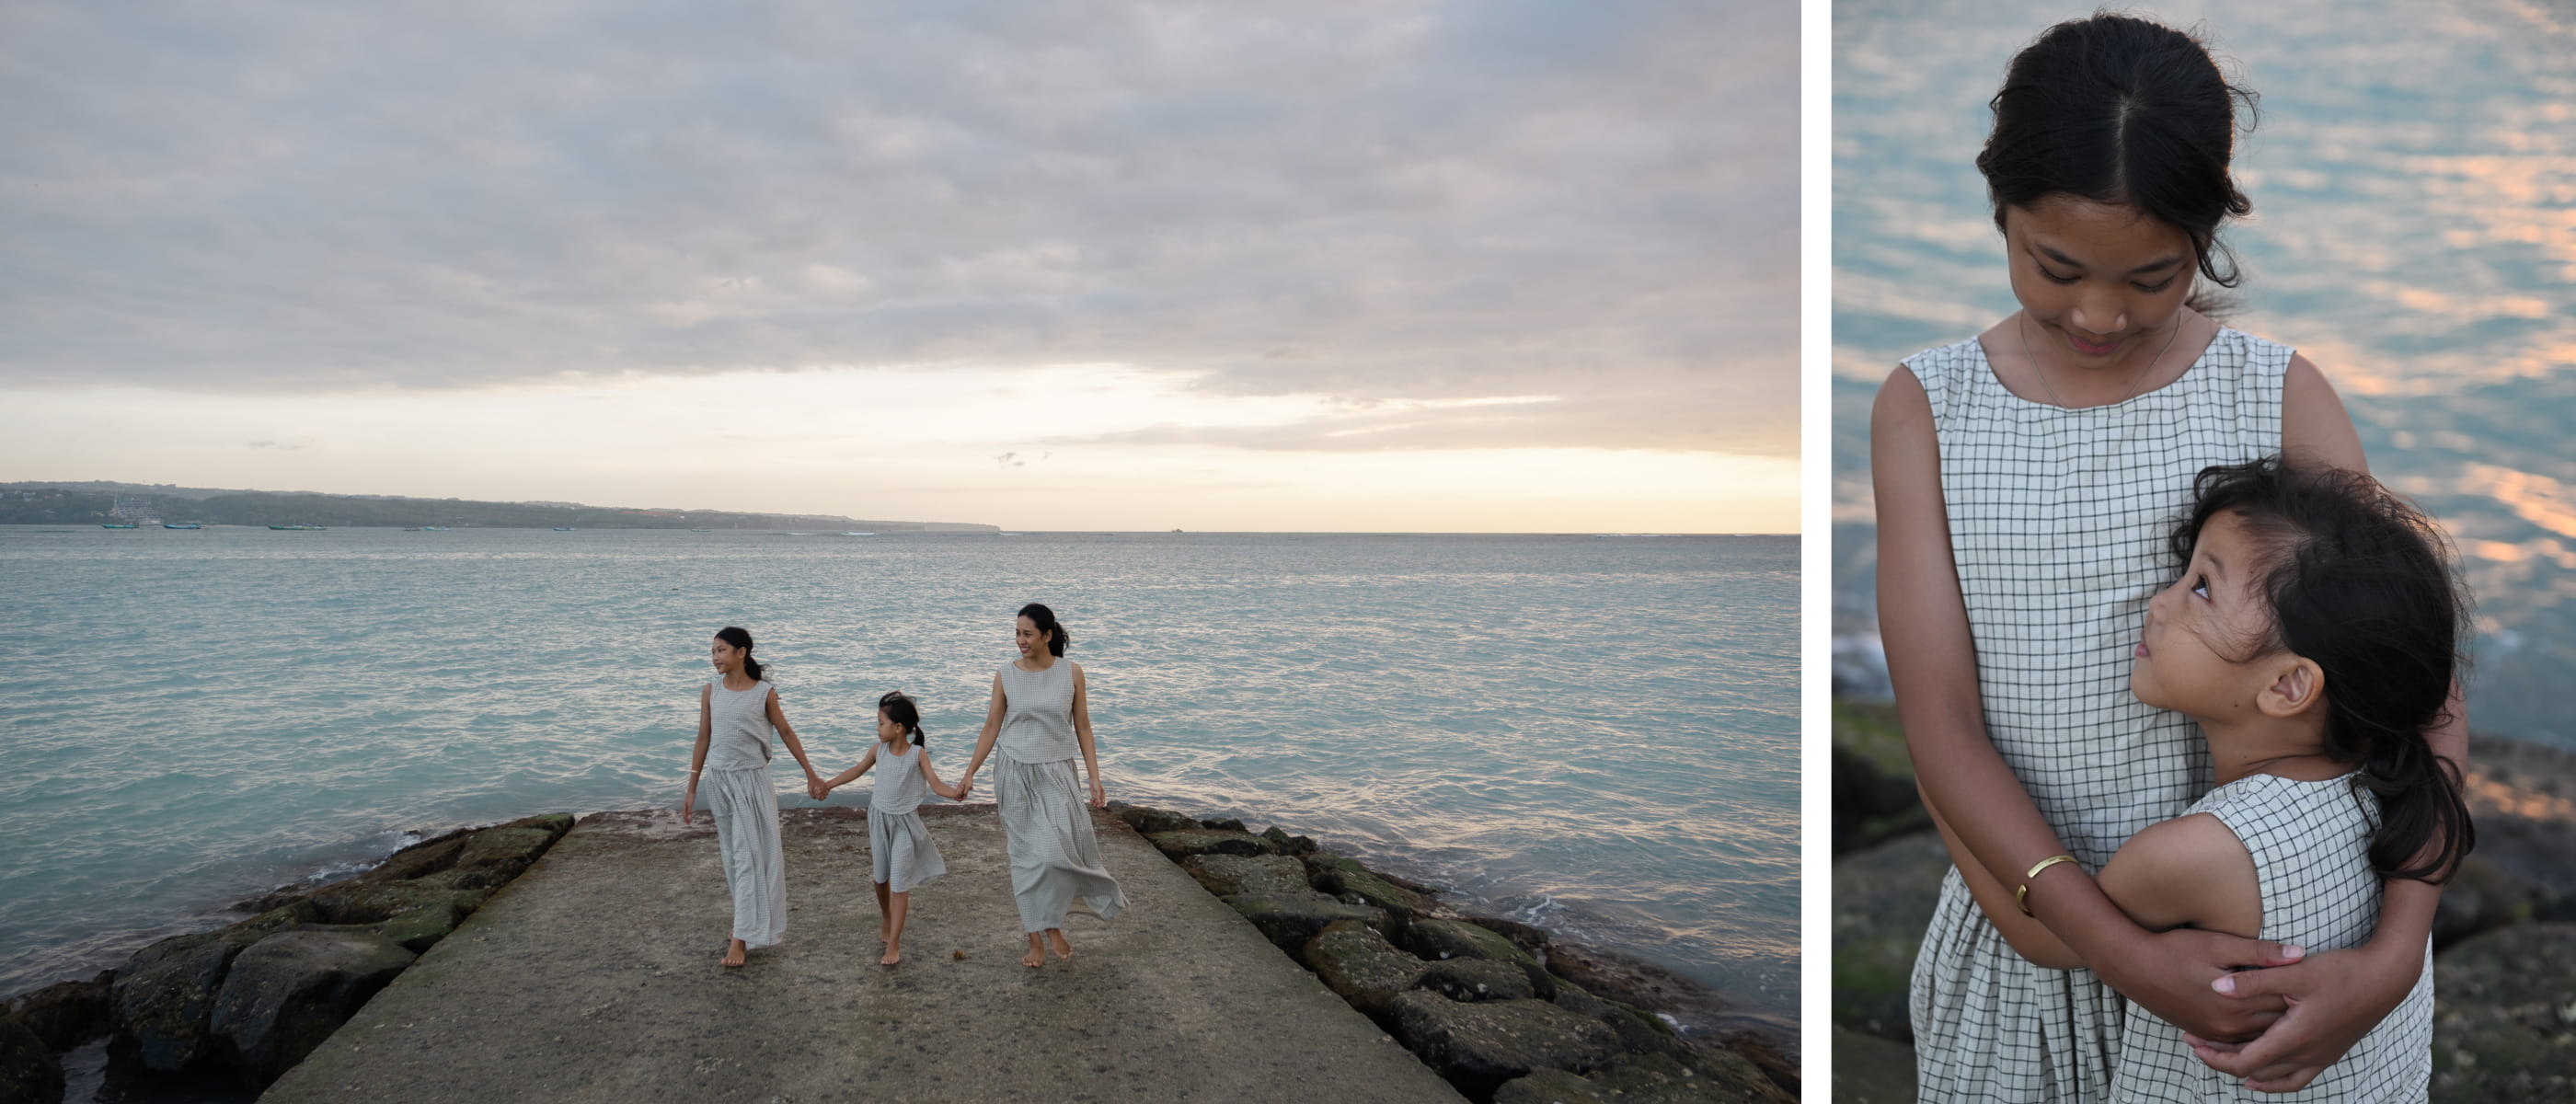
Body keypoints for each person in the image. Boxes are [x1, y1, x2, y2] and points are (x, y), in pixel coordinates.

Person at [1869, 14, 2466, 1098]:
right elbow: (1939, 721)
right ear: (1996, 203)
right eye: (2051, 267)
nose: (2097, 312)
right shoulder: (1928, 408)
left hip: (2278, 965)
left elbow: (2415, 682)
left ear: (2205, 233)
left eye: (2151, 277)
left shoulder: (2274, 391)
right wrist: (2115, 947)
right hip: (2036, 934)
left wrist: (2387, 961)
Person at [1966, 458, 2471, 1100]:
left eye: (2200, 588)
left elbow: (2038, 935)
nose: (2157, 601)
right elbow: (2446, 714)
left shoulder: (2196, 854)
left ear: (2289, 685)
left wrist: (1943, 772)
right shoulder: (2400, 778)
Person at [956, 603, 1128, 969]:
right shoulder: (1005, 674)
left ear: (1047, 635)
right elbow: (991, 727)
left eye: (1027, 634)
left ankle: (1052, 919)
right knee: (1024, 859)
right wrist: (971, 771)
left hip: (1057, 772)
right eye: (1017, 633)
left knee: (1054, 853)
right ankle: (1039, 935)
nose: (1020, 640)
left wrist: (1095, 778)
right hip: (1013, 771)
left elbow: (1082, 726)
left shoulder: (1072, 673)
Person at [681, 627, 828, 968]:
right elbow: (703, 738)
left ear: (741, 652)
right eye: (713, 652)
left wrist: (811, 774)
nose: (715, 657)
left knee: (750, 859)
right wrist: (691, 788)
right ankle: (748, 925)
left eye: (721, 650)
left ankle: (739, 939)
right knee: (734, 859)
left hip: (752, 782)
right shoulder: (710, 691)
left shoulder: (764, 693)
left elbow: (786, 732)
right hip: (719, 782)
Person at [814, 691, 964, 966]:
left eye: (881, 723)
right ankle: (886, 916)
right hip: (879, 820)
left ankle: (894, 942)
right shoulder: (877, 750)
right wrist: (828, 785)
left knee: (900, 883)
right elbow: (856, 771)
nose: (877, 727)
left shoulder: (917, 754)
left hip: (905, 825)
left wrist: (954, 793)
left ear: (899, 727)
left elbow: (935, 783)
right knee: (880, 878)